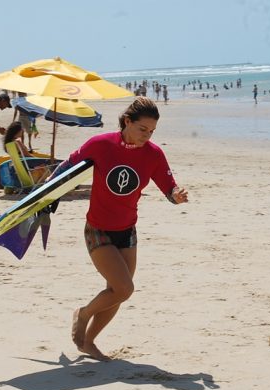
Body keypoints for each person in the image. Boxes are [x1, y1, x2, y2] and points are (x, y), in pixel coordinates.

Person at [50, 97, 188, 361]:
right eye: (142, 129)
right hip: (98, 229)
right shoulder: (101, 145)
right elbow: (66, 167)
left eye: (152, 132)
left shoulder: (154, 154)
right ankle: (84, 313)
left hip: (127, 230)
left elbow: (168, 186)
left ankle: (88, 342)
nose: (147, 136)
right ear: (127, 121)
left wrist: (176, 195)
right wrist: (41, 197)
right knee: (124, 288)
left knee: (117, 292)